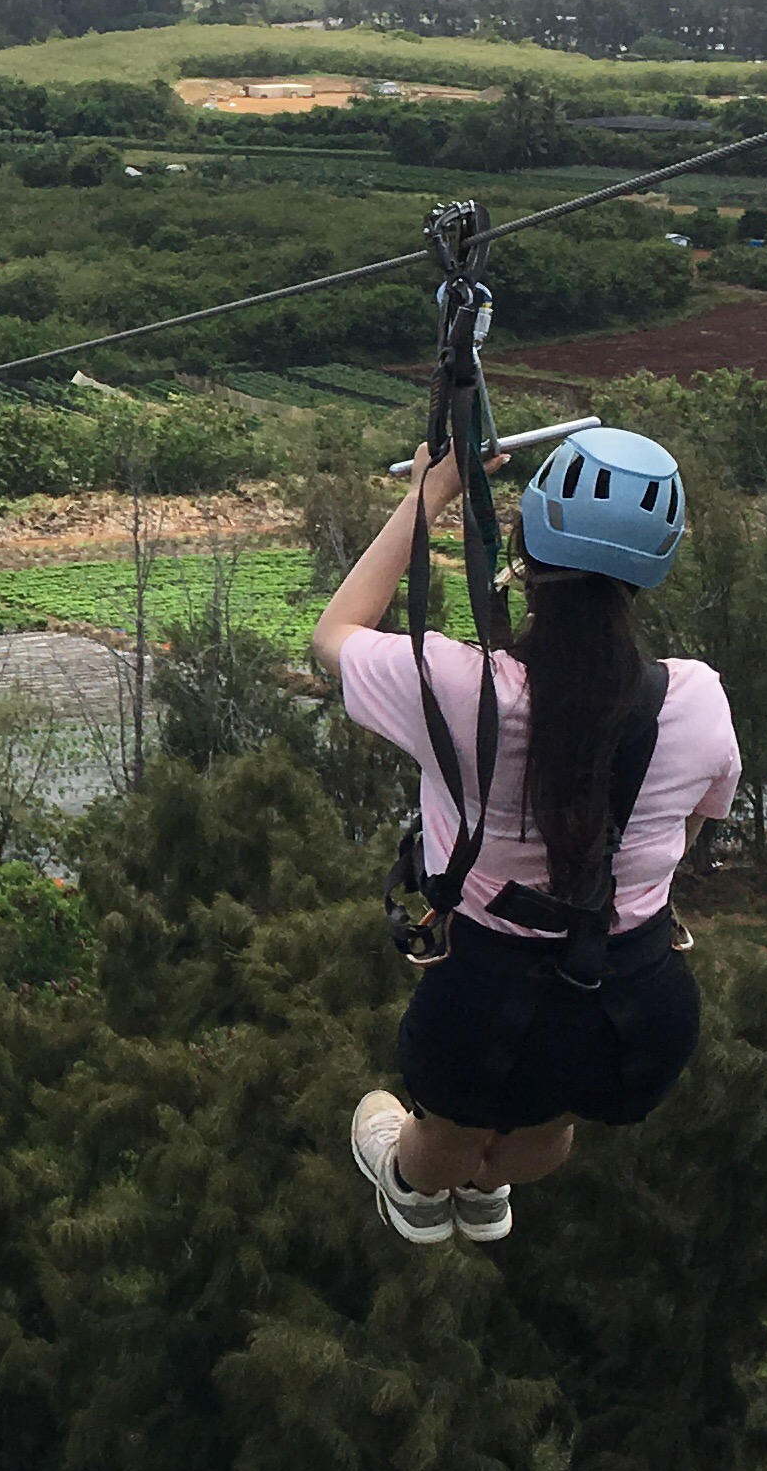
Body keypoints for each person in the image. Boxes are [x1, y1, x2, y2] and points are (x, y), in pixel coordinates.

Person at [308, 426, 740, 1247]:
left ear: (525, 546)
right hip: (635, 1004)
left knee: (442, 1128)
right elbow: (690, 826)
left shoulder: (460, 688)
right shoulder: (697, 700)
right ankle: (489, 1191)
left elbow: (335, 635)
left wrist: (429, 493)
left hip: (485, 999)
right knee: (553, 1117)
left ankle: (415, 1187)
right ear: (654, 568)